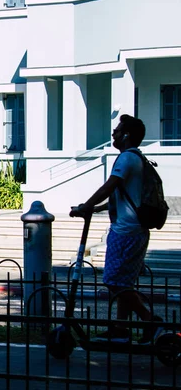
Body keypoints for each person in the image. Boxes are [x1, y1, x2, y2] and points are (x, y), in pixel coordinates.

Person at [71, 114, 162, 344]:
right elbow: (118, 196)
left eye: (117, 130)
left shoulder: (126, 159)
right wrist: (96, 208)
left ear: (127, 135)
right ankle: (121, 329)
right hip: (134, 230)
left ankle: (150, 321)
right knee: (124, 283)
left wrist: (86, 205)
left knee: (112, 280)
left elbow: (109, 186)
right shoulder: (135, 158)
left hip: (126, 231)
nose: (114, 133)